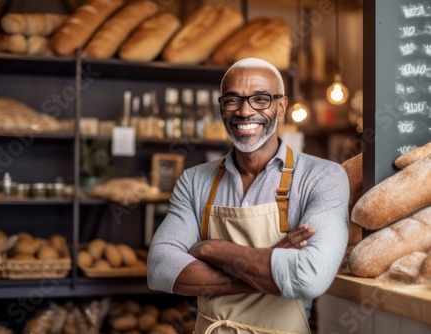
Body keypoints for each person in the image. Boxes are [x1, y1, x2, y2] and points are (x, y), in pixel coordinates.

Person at [147, 57, 349, 334]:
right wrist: (268, 271)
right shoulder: (195, 180)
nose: (244, 111)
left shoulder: (322, 177)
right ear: (221, 109)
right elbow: (160, 268)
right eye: (232, 100)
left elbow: (308, 278)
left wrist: (210, 250)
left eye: (260, 99)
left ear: (281, 107)